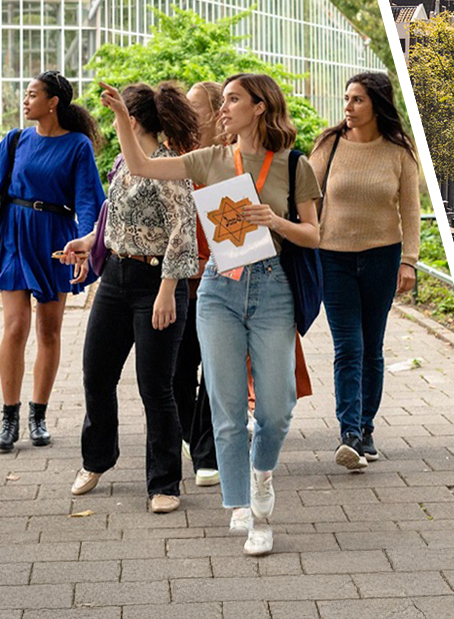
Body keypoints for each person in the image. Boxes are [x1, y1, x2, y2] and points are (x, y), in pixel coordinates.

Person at [104, 73, 320, 557]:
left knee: (277, 407)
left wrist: (274, 220)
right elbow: (140, 163)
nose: (223, 109)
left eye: (233, 100)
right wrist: (122, 118)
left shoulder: (293, 164)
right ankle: (249, 510)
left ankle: (261, 475)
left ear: (260, 107)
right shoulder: (209, 159)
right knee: (224, 410)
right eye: (222, 101)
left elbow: (313, 235)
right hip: (219, 288)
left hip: (272, 289)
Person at [61, 82, 200, 513]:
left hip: (157, 281)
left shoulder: (167, 165)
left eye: (120, 116)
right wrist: (87, 242)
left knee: (155, 388)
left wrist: (166, 293)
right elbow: (115, 219)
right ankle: (97, 458)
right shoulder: (124, 162)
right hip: (115, 279)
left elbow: (184, 229)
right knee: (96, 373)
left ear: (133, 119)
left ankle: (164, 484)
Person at [0, 71, 104, 452]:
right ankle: (9, 417)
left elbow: (89, 199)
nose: (25, 101)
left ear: (53, 101)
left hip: (56, 237)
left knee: (49, 330)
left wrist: (86, 243)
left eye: (32, 94)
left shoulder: (78, 146)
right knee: (15, 327)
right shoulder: (15, 140)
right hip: (13, 235)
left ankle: (38, 415)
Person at [310, 72, 421, 471]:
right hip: (333, 257)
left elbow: (410, 209)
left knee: (372, 346)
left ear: (376, 103)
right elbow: (307, 197)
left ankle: (366, 428)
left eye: (357, 100)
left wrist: (409, 260)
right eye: (346, 99)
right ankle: (349, 434)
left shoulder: (399, 151)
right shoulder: (329, 144)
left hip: (381, 256)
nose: (348, 107)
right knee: (348, 346)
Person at [173, 79, 225, 489]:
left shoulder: (228, 162)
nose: (188, 114)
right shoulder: (178, 160)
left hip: (218, 280)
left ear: (215, 111)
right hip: (181, 284)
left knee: (214, 374)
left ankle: (208, 455)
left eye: (195, 107)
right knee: (176, 374)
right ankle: (193, 438)